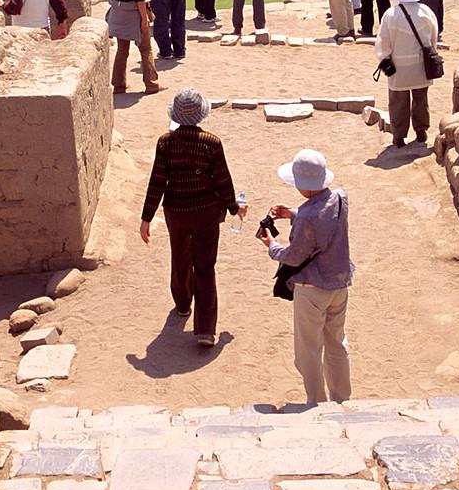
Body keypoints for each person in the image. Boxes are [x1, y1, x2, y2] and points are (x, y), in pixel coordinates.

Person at [139, 87, 243, 347]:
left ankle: (183, 304)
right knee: (205, 267)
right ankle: (205, 329)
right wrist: (233, 207)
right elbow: (222, 180)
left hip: (176, 212)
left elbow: (157, 182)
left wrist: (146, 217)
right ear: (201, 115)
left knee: (180, 257)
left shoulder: (165, 142)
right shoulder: (212, 142)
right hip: (206, 212)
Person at [261, 148, 352, 405]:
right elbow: (323, 218)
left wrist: (271, 245)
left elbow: (294, 256)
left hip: (312, 288)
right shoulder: (341, 199)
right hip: (339, 281)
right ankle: (342, 397)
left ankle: (317, 401)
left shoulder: (307, 216)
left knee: (308, 350)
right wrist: (293, 214)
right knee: (336, 341)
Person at [375, 0, 440, 147]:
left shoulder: (390, 14)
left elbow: (383, 42)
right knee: (421, 99)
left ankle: (399, 136)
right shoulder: (426, 12)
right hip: (421, 67)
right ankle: (421, 131)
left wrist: (384, 59)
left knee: (398, 102)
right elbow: (433, 39)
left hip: (399, 68)